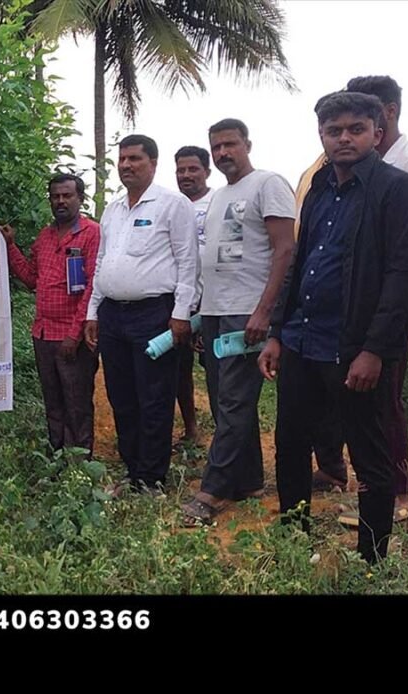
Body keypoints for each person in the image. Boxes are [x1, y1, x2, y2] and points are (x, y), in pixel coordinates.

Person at [259, 92, 408, 563]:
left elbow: (401, 276)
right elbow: (299, 265)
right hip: (301, 340)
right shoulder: (316, 190)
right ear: (321, 136)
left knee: (369, 454)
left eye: (355, 128)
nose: (344, 138)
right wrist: (276, 332)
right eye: (334, 131)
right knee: (291, 442)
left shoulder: (398, 190)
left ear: (377, 132)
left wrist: (374, 349)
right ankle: (295, 539)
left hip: (353, 348)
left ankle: (369, 560)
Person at [179, 119, 295, 525]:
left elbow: (284, 251)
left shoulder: (268, 184)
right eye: (217, 147)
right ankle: (247, 481)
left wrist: (265, 312)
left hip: (246, 312)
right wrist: (199, 316)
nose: (223, 152)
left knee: (233, 401)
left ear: (248, 144)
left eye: (230, 144)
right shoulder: (219, 197)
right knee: (223, 398)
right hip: (214, 312)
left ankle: (213, 490)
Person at [84, 135, 199, 494]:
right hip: (113, 316)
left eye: (134, 158)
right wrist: (93, 312)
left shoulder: (172, 204)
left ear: (153, 162)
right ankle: (132, 469)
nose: (126, 165)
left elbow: (188, 262)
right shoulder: (113, 209)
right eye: (122, 159)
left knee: (154, 397)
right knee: (121, 396)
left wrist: (181, 315)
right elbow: (102, 263)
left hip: (155, 315)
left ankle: (151, 478)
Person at [3, 173, 101, 456]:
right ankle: (57, 456)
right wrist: (11, 246)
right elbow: (32, 278)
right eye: (55, 196)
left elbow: (93, 286)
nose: (60, 201)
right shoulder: (45, 237)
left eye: (67, 195)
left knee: (77, 401)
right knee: (53, 401)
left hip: (74, 335)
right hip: (42, 333)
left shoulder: (91, 233)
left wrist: (75, 333)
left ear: (80, 199)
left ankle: (80, 462)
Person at [173, 145, 215, 443]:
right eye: (180, 170)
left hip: (214, 303)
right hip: (179, 303)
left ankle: (226, 434)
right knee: (178, 370)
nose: (186, 175)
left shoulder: (218, 202)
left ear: (206, 171)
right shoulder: (173, 206)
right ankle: (191, 429)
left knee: (216, 371)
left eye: (192, 169)